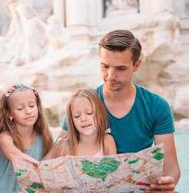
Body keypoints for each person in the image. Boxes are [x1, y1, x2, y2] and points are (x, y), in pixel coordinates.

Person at [61, 29, 180, 192]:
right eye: (105, 66)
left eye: (120, 69)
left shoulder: (156, 106)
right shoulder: (83, 104)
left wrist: (166, 183)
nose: (110, 75)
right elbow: (57, 157)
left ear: (136, 65)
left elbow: (171, 168)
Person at [0, 84, 53, 193]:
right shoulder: (4, 138)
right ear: (9, 114)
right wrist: (42, 168)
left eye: (31, 106)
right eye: (20, 108)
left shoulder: (43, 137)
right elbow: (18, 157)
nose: (28, 111)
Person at [45, 88, 116, 159]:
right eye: (77, 116)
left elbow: (115, 169)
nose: (83, 119)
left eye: (89, 113)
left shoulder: (107, 141)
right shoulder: (64, 147)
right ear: (72, 121)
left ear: (100, 113)